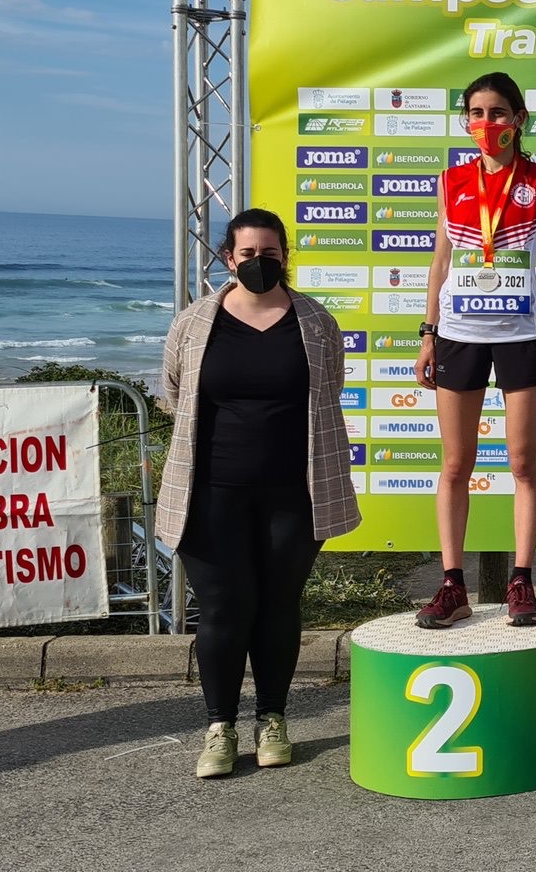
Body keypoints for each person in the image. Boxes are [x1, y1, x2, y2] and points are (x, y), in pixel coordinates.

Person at [159, 208, 362, 778]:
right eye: (247, 254)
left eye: (269, 254)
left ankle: (273, 717)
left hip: (294, 494)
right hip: (210, 493)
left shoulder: (316, 323)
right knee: (223, 608)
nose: (258, 263)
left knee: (278, 606)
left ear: (285, 257)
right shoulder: (194, 323)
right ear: (228, 258)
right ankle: (219, 725)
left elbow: (330, 391)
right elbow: (176, 394)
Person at [414, 72, 536, 628]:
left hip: (524, 334)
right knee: (456, 463)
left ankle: (522, 580)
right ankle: (452, 583)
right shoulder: (451, 179)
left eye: (498, 113)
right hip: (458, 333)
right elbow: (441, 258)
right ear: (466, 121)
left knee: (524, 463)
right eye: (476, 113)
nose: (487, 124)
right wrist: (428, 331)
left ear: (519, 119)